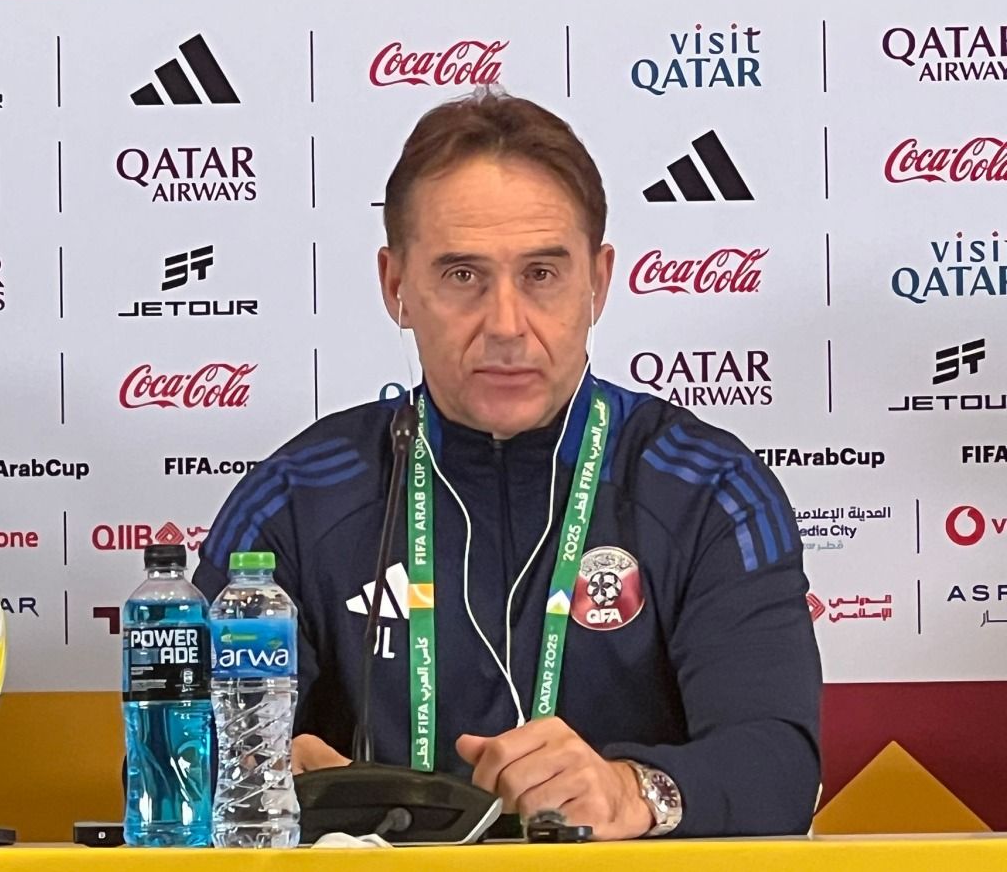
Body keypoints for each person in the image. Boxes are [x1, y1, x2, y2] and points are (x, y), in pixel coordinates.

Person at [193, 90, 821, 840]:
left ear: (599, 281)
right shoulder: (295, 499)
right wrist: (245, 772)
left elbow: (779, 768)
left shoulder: (710, 490)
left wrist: (632, 792)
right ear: (397, 287)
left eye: (542, 274)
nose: (506, 324)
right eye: (463, 276)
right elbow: (174, 755)